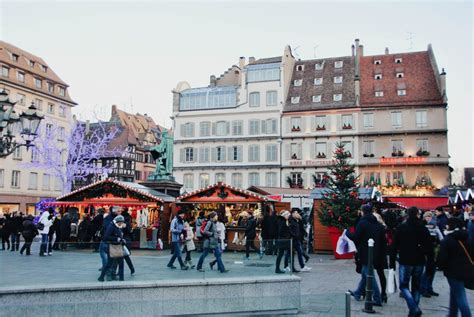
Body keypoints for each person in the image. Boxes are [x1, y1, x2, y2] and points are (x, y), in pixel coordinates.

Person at [393, 207, 431, 317]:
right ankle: (413, 309)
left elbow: (395, 245)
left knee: (404, 286)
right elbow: (429, 246)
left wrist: (392, 260)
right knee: (416, 286)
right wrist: (430, 260)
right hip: (419, 260)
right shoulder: (422, 228)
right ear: (417, 215)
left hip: (405, 259)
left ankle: (413, 308)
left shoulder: (401, 227)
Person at [346, 205, 385, 306]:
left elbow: (356, 237)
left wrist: (347, 234)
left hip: (364, 252)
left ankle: (377, 298)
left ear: (363, 212)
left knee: (369, 276)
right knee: (365, 273)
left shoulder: (362, 223)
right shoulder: (377, 224)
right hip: (375, 253)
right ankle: (358, 293)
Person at [437, 217, 473, 317]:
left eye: (448, 224)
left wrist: (440, 266)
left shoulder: (447, 240)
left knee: (460, 296)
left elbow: (442, 258)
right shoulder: (467, 237)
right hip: (466, 270)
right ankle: (452, 313)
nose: (446, 226)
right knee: (455, 292)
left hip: (453, 271)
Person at [420, 211, 443, 298]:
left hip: (431, 250)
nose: (428, 218)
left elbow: (440, 237)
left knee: (430, 270)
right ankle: (425, 288)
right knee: (428, 270)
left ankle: (427, 288)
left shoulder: (432, 226)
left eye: (429, 216)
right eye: (427, 217)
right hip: (429, 251)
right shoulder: (425, 226)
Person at [98, 215, 126, 282]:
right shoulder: (111, 226)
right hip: (112, 247)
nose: (121, 224)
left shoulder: (118, 226)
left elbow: (120, 235)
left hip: (117, 247)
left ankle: (121, 278)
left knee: (120, 263)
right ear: (117, 221)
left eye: (122, 222)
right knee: (109, 264)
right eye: (121, 222)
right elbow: (106, 237)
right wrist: (117, 239)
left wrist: (122, 239)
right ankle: (101, 277)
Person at [122, 208, 135, 275]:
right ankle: (132, 269)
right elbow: (130, 231)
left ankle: (118, 272)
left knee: (120, 257)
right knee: (126, 256)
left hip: (124, 240)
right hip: (128, 240)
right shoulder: (129, 223)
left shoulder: (123, 224)